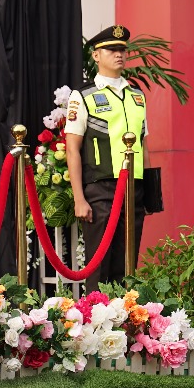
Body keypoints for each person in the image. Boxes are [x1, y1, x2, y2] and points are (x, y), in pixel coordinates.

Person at [65, 25, 147, 290]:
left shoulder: (137, 95)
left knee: (128, 264)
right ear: (96, 55)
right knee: (99, 265)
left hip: (133, 189)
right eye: (111, 49)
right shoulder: (84, 95)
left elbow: (145, 143)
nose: (119, 54)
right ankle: (95, 323)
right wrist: (79, 198)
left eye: (122, 49)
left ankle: (127, 322)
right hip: (100, 188)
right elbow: (72, 148)